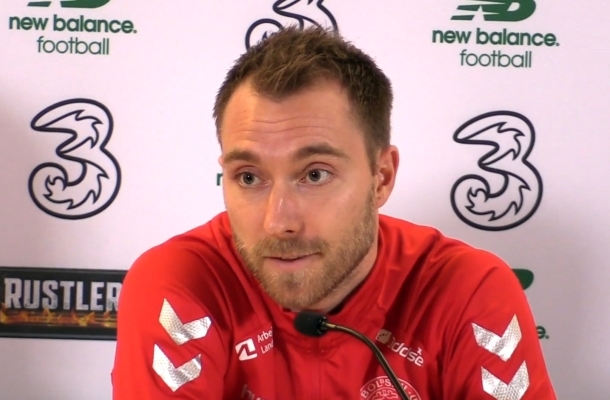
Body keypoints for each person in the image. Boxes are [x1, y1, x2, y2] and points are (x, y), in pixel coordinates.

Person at [112, 26, 556, 399]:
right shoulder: (182, 281)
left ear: (381, 178)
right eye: (249, 177)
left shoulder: (469, 289)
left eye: (315, 175)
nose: (278, 222)